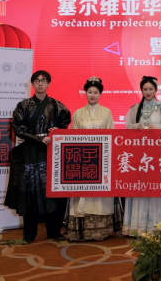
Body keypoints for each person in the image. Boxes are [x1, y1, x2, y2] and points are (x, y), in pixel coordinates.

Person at [4, 70, 71, 244]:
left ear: (49, 84)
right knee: (30, 191)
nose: (40, 83)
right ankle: (29, 234)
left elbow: (64, 124)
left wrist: (57, 131)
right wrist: (38, 139)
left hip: (51, 152)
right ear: (32, 84)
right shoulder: (23, 105)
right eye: (37, 81)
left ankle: (54, 231)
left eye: (44, 80)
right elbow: (19, 129)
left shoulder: (56, 105)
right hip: (31, 152)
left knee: (53, 191)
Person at [64, 77, 122, 242]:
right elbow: (73, 137)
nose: (92, 95)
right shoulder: (78, 113)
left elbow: (111, 135)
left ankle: (102, 229)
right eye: (89, 92)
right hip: (82, 159)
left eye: (95, 92)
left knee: (99, 193)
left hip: (101, 159)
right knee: (83, 192)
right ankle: (81, 230)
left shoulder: (107, 112)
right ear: (85, 93)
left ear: (100, 94)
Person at [123, 76, 161, 237]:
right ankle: (137, 226)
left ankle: (157, 226)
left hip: (157, 155)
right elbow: (127, 127)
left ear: (156, 90)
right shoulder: (134, 109)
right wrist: (136, 126)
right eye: (145, 89)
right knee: (140, 187)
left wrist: (157, 127)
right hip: (139, 156)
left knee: (156, 186)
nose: (148, 92)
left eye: (151, 89)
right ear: (141, 90)